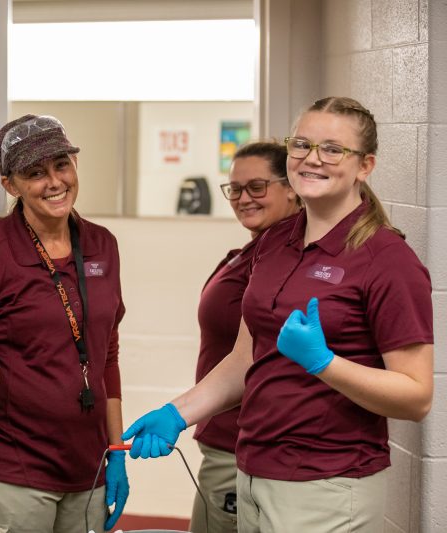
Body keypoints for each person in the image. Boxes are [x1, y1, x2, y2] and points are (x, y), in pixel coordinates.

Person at [123, 97, 433, 533]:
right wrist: (178, 413)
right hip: (253, 471)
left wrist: (324, 363)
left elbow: (416, 396)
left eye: (332, 149)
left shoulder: (387, 260)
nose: (312, 159)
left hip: (326, 483)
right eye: (301, 145)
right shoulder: (275, 242)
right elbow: (244, 359)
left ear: (365, 166)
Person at [0, 115, 128, 532]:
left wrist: (115, 449)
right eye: (34, 173)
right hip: (9, 472)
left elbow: (107, 354)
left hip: (89, 469)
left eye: (61, 165)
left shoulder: (103, 244)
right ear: (10, 185)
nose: (54, 182)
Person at [190, 141, 300, 533]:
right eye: (234, 188)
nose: (242, 198)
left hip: (241, 443)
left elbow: (253, 354)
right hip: (221, 438)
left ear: (291, 187)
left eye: (257, 187)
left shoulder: (285, 256)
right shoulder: (252, 250)